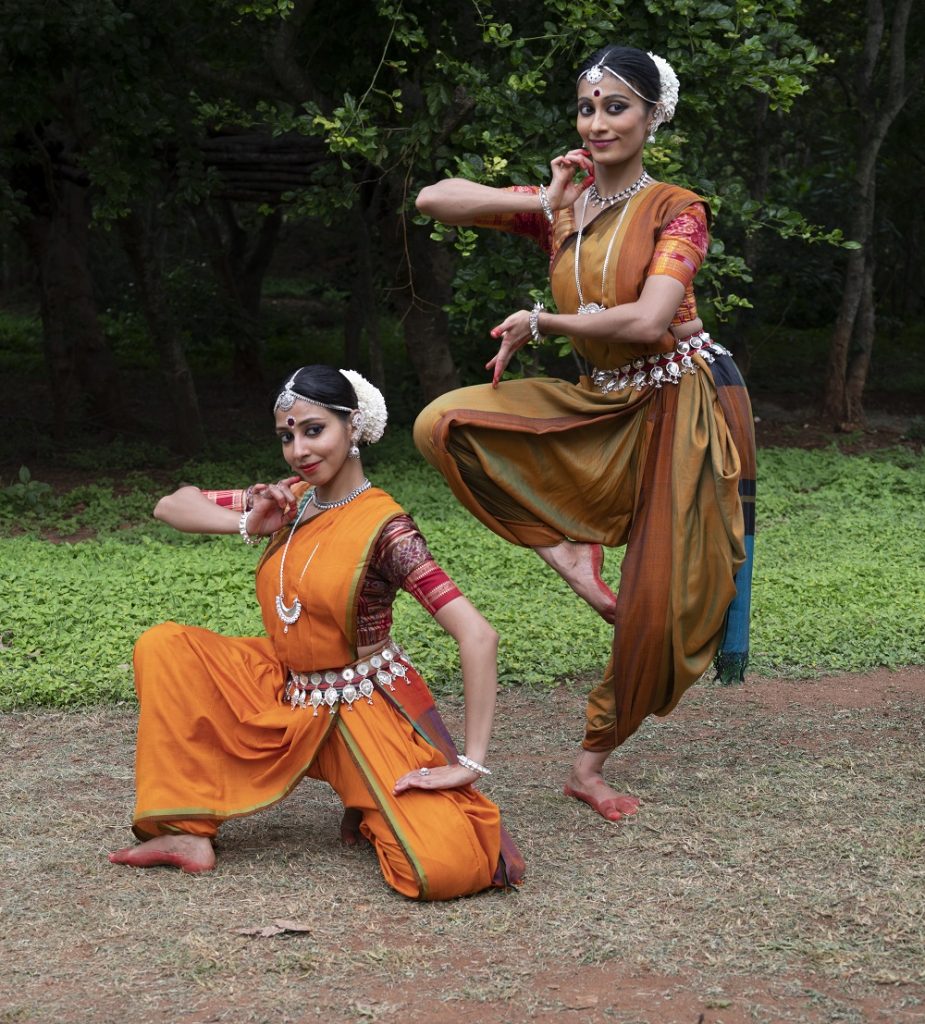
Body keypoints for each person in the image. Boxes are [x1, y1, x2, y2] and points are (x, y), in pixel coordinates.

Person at [413, 46, 755, 822]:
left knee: (664, 612)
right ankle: (567, 549)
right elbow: (435, 198)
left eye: (616, 107)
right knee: (444, 424)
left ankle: (588, 765)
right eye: (586, 108)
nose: (596, 122)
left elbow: (646, 319)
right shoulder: (563, 207)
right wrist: (544, 203)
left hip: (680, 412)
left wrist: (542, 320)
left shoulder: (677, 210)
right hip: (598, 402)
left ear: (652, 116)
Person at [109, 365, 524, 900]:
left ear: (353, 428)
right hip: (284, 687)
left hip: (357, 704)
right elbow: (172, 504)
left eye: (314, 429)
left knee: (447, 867)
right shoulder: (293, 498)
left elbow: (478, 635)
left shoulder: (387, 530)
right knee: (165, 646)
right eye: (287, 435)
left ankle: (371, 802)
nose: (299, 450)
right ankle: (185, 833)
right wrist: (247, 521)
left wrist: (468, 763)